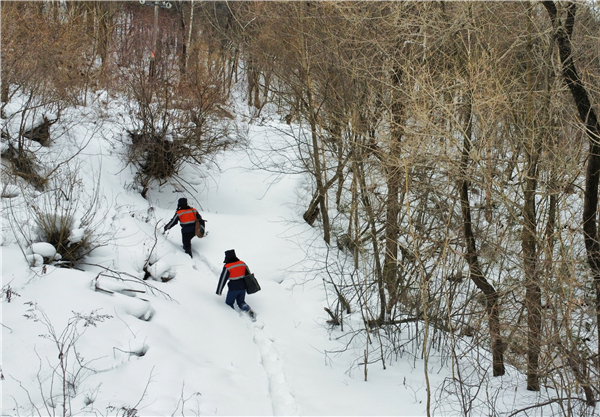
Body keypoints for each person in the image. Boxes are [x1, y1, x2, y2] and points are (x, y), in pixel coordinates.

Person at [216, 249, 255, 319]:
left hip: (233, 288)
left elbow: (222, 280)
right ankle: (248, 309)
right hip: (243, 287)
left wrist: (219, 291)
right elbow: (248, 275)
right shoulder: (242, 263)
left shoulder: (227, 266)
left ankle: (233, 318)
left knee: (229, 304)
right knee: (241, 302)